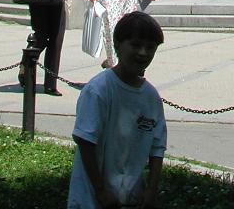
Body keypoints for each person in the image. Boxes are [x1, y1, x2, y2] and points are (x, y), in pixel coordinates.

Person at [68, 11, 166, 209]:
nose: (143, 53)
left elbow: (157, 148)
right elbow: (86, 142)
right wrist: (101, 190)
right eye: (136, 45)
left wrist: (151, 191)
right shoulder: (98, 90)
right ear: (118, 44)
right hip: (91, 200)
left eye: (150, 47)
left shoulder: (151, 97)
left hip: (130, 199)